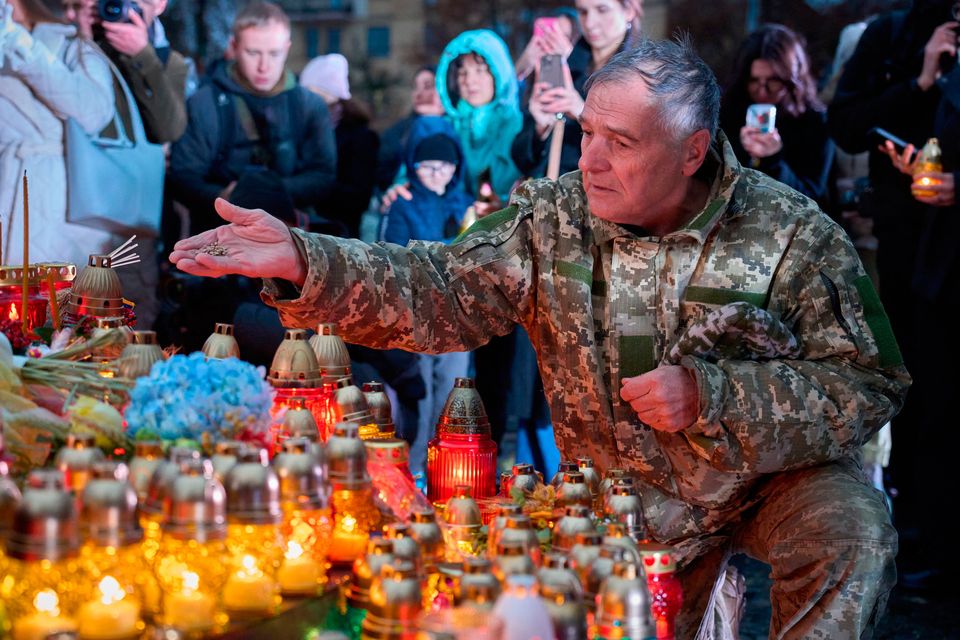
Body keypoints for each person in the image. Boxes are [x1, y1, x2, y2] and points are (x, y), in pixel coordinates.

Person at [171, 39, 908, 637]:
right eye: (588, 131)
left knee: (851, 528)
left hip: (764, 483)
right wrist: (306, 258)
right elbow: (440, 287)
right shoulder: (552, 218)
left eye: (621, 143)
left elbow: (869, 381)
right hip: (613, 503)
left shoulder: (790, 233)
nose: (589, 160)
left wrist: (717, 396)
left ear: (691, 152)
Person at [828, 0, 956, 590]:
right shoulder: (889, 35)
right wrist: (921, 81)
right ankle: (922, 531)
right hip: (910, 245)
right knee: (914, 385)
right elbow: (847, 122)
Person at [167, 0, 336, 236]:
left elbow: (324, 176)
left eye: (274, 53)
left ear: (287, 48)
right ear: (234, 47)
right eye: (253, 52)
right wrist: (223, 198)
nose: (264, 66)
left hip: (292, 240)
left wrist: (263, 192)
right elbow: (183, 177)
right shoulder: (204, 104)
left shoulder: (309, 106)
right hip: (218, 242)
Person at [381, 117, 473, 476]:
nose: (436, 174)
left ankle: (449, 465)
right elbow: (391, 254)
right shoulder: (403, 204)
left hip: (458, 315)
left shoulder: (464, 205)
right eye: (428, 166)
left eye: (444, 167)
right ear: (414, 166)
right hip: (416, 312)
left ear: (455, 168)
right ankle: (415, 466)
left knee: (452, 391)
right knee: (419, 393)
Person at [1, 0, 115, 268]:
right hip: (7, 185)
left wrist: (20, 44)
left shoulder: (72, 44)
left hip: (57, 195)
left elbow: (95, 112)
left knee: (49, 301)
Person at [512, 0, 642, 179]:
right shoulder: (565, 65)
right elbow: (521, 159)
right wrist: (540, 128)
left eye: (602, 10)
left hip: (599, 194)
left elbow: (638, 150)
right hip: (550, 195)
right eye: (583, 12)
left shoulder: (643, 72)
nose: (590, 23)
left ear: (628, 11)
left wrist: (583, 113)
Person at [719, 24, 835, 206]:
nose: (762, 91)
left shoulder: (815, 123)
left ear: (792, 82)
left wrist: (773, 160)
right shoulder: (728, 113)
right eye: (754, 81)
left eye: (773, 81)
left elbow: (813, 197)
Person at [63, 0, 188, 145]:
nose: (123, 10)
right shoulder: (86, 43)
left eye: (133, 4)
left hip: (127, 162)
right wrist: (83, 38)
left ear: (159, 5)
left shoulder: (169, 61)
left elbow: (169, 131)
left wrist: (142, 56)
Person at [436, 29, 523, 205]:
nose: (469, 80)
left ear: (499, 74)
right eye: (462, 73)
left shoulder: (524, 128)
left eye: (480, 70)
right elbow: (413, 175)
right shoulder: (443, 128)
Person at [300, 53, 379, 239]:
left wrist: (310, 187)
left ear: (328, 94)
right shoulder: (304, 130)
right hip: (304, 233)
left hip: (340, 239)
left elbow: (358, 197)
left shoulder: (360, 138)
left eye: (310, 91)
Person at [376, 65, 445, 194]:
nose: (419, 94)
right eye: (415, 87)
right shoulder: (397, 133)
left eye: (428, 86)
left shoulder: (460, 129)